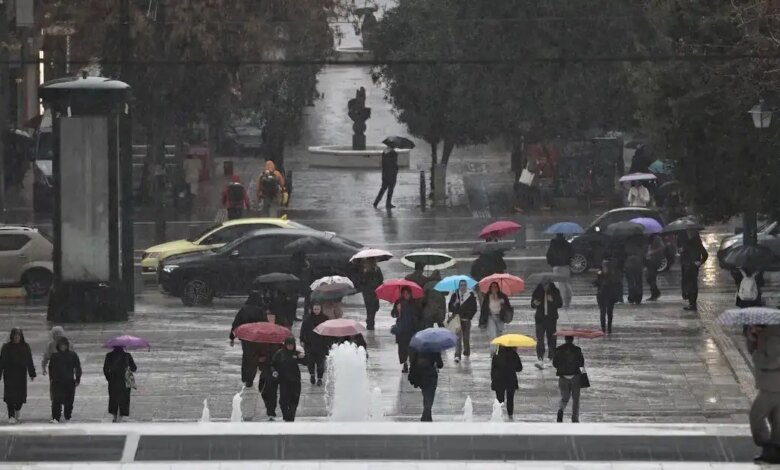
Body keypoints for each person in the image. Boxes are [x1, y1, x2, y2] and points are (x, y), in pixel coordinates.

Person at [747, 325, 780, 464]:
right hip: (767, 383)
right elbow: (751, 351)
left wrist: (759, 350)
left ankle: (767, 445)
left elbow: (773, 361)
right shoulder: (763, 331)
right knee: (776, 419)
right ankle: (774, 451)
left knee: (756, 415)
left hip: (774, 385)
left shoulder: (775, 333)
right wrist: (752, 338)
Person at [230, 291, 267, 387]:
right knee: (255, 357)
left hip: (246, 338)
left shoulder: (243, 310)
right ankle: (253, 376)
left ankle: (247, 378)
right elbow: (265, 324)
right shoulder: (261, 310)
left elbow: (236, 323)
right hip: (257, 338)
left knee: (247, 357)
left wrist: (232, 337)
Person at [0, 328, 35, 423]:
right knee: (9, 396)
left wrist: (32, 373)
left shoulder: (25, 346)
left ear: (21, 336)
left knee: (20, 396)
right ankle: (11, 416)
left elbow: (29, 360)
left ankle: (17, 409)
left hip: (21, 374)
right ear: (12, 336)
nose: (16, 337)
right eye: (15, 335)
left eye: (18, 335)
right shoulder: (6, 347)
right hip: (9, 374)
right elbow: (1, 362)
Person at [271, 336, 306, 422]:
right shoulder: (280, 353)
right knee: (283, 401)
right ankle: (286, 416)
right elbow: (272, 364)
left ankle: (291, 418)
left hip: (295, 381)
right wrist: (274, 371)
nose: (290, 347)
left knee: (294, 400)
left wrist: (304, 357)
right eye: (289, 345)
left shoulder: (296, 353)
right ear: (286, 345)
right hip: (284, 381)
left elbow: (306, 362)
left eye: (292, 345)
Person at [48, 337, 81, 423]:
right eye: (61, 345)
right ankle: (56, 417)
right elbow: (51, 368)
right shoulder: (54, 356)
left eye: (64, 345)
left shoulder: (72, 355)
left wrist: (77, 378)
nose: (63, 347)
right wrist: (51, 379)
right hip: (57, 382)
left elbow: (77, 367)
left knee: (69, 401)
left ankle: (67, 416)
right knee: (56, 400)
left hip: (69, 381)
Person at [553, 335, 585, 423]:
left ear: (565, 339)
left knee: (564, 398)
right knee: (576, 399)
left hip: (563, 377)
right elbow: (581, 363)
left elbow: (555, 363)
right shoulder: (577, 350)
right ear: (573, 339)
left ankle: (561, 410)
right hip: (575, 377)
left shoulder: (558, 349)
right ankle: (575, 418)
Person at [531, 280, 563, 369]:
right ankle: (540, 357)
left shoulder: (555, 291)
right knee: (540, 338)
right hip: (540, 319)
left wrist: (552, 300)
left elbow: (560, 304)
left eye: (547, 284)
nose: (545, 286)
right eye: (544, 285)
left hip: (551, 319)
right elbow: (532, 304)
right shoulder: (537, 292)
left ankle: (551, 357)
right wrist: (535, 303)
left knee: (551, 338)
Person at [103, 345, 137, 423]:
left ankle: (114, 417)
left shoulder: (109, 355)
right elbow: (134, 368)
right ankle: (121, 417)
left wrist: (109, 378)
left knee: (113, 398)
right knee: (124, 398)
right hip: (125, 379)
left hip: (113, 379)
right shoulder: (127, 355)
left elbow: (105, 369)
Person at [392, 286, 422, 373]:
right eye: (403, 294)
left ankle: (412, 364)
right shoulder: (398, 302)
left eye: (407, 294)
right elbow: (393, 314)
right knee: (402, 349)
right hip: (402, 330)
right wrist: (397, 310)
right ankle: (405, 364)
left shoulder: (415, 303)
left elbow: (420, 314)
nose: (405, 295)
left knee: (412, 348)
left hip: (412, 329)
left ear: (410, 294)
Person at [408, 349, 443, 422]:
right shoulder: (435, 348)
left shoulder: (418, 348)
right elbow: (440, 364)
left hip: (421, 375)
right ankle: (427, 414)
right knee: (429, 396)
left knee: (426, 395)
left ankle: (427, 414)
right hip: (431, 376)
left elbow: (413, 362)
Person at [448, 280, 478, 363]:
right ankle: (457, 355)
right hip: (457, 320)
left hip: (466, 320)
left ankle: (467, 350)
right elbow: (450, 307)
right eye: (461, 285)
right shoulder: (455, 295)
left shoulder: (470, 296)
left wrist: (469, 316)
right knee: (458, 338)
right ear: (459, 286)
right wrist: (455, 304)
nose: (463, 286)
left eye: (464, 285)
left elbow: (474, 308)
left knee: (466, 337)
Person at [299, 303, 328, 386]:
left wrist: (328, 342)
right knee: (310, 362)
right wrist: (301, 339)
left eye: (318, 309)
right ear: (312, 309)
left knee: (320, 363)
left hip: (321, 344)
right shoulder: (308, 318)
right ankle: (312, 375)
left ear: (320, 309)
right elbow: (303, 329)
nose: (316, 311)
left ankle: (319, 378)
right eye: (315, 309)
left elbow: (328, 331)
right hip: (309, 343)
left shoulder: (325, 318)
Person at [679, 229, 708, 311]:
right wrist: (681, 250)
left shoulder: (696, 242)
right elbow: (680, 249)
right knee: (686, 283)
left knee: (692, 284)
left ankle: (692, 303)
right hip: (685, 265)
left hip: (692, 266)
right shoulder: (683, 238)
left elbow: (705, 254)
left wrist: (700, 262)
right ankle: (690, 301)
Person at [479, 282, 512, 354]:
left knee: (499, 334)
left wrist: (503, 304)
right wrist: (482, 321)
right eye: (493, 287)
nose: (494, 288)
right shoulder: (487, 296)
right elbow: (484, 308)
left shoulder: (503, 296)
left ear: (498, 288)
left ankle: (499, 350)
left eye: (496, 287)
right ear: (490, 288)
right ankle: (493, 351)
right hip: (491, 317)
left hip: (500, 317)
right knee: (492, 334)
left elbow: (508, 307)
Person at [491, 345, 523, 419]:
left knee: (499, 399)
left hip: (499, 380)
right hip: (511, 380)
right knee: (510, 399)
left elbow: (493, 369)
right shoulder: (514, 354)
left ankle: (498, 414)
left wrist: (493, 379)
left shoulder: (496, 355)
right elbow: (519, 368)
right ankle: (510, 414)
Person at [546, 234, 574, 308]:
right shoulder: (567, 244)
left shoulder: (553, 244)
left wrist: (551, 264)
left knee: (560, 285)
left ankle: (562, 300)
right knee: (567, 284)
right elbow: (572, 254)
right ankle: (568, 300)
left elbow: (549, 255)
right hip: (565, 266)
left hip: (556, 266)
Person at [357, 258, 383, 330]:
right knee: (371, 307)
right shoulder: (365, 270)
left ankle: (369, 320)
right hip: (368, 292)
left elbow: (380, 280)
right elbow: (361, 281)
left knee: (373, 307)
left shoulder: (377, 269)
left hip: (373, 291)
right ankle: (370, 323)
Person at [594, 260, 619, 334]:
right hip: (603, 296)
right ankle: (605, 328)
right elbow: (596, 283)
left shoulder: (611, 274)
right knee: (604, 312)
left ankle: (607, 328)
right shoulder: (603, 274)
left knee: (607, 312)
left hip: (607, 296)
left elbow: (597, 283)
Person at [257, 344, 279, 419]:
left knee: (272, 392)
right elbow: (256, 356)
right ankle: (269, 406)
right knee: (262, 389)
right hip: (264, 370)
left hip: (274, 372)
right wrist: (259, 359)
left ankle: (271, 411)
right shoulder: (261, 344)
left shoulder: (278, 344)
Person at [290, 252, 313, 321]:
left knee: (296, 299)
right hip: (302, 283)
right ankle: (305, 315)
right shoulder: (302, 263)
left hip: (299, 283)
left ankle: (298, 315)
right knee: (306, 299)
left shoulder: (295, 263)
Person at [624, 235, 646, 305]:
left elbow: (625, 253)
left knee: (631, 282)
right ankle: (638, 298)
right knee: (638, 281)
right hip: (638, 264)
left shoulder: (627, 244)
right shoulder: (641, 243)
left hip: (629, 264)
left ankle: (632, 297)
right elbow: (643, 253)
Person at [645, 234, 666, 301]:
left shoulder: (656, 239)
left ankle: (655, 293)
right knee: (650, 278)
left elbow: (662, 247)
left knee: (650, 277)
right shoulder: (650, 239)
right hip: (651, 260)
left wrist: (652, 251)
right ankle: (655, 293)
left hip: (655, 260)